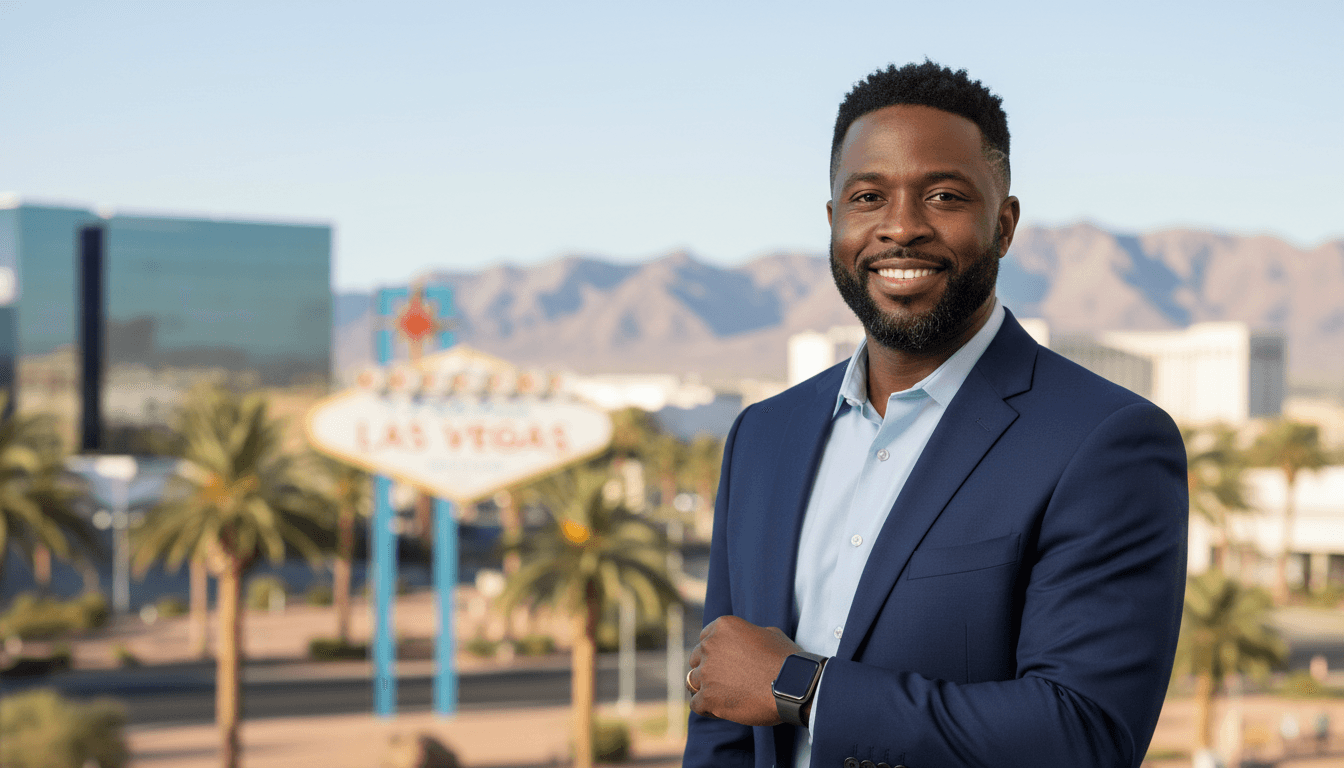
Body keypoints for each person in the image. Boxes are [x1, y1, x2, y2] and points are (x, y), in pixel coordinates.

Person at [683, 61, 1187, 768]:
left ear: (1004, 225)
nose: (901, 228)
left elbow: (1084, 733)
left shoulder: (1104, 442)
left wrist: (805, 688)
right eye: (867, 197)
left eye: (944, 195)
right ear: (833, 223)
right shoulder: (764, 435)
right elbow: (721, 705)